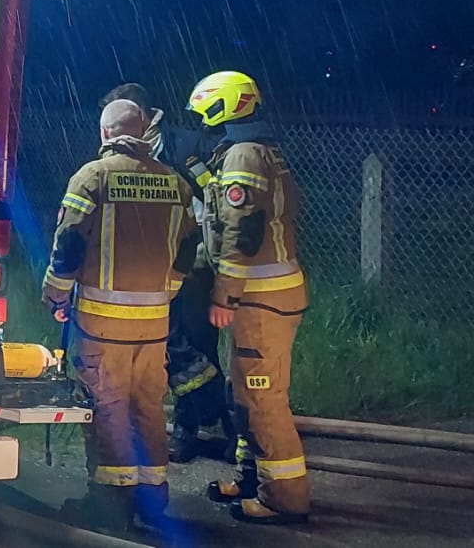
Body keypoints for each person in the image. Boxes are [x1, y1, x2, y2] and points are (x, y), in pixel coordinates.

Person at [41, 99, 202, 532]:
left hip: (102, 325)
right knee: (148, 406)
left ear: (105, 133)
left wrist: (55, 294)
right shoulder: (175, 182)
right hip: (154, 324)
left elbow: (69, 241)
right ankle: (152, 498)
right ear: (145, 131)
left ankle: (111, 505)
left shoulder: (93, 177)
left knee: (108, 407)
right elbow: (190, 245)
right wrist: (169, 289)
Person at [186, 71, 312, 525]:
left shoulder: (243, 154)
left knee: (263, 400)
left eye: (205, 109)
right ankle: (251, 479)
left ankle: (285, 498)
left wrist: (224, 295)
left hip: (260, 298)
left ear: (224, 106)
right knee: (243, 393)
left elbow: (242, 233)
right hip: (263, 298)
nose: (201, 119)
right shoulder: (252, 150)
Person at [99, 83, 234, 463]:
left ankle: (212, 427)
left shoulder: (187, 147)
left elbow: (216, 202)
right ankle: (196, 423)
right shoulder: (122, 156)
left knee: (198, 343)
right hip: (147, 272)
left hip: (193, 263)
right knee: (170, 349)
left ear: (144, 117)